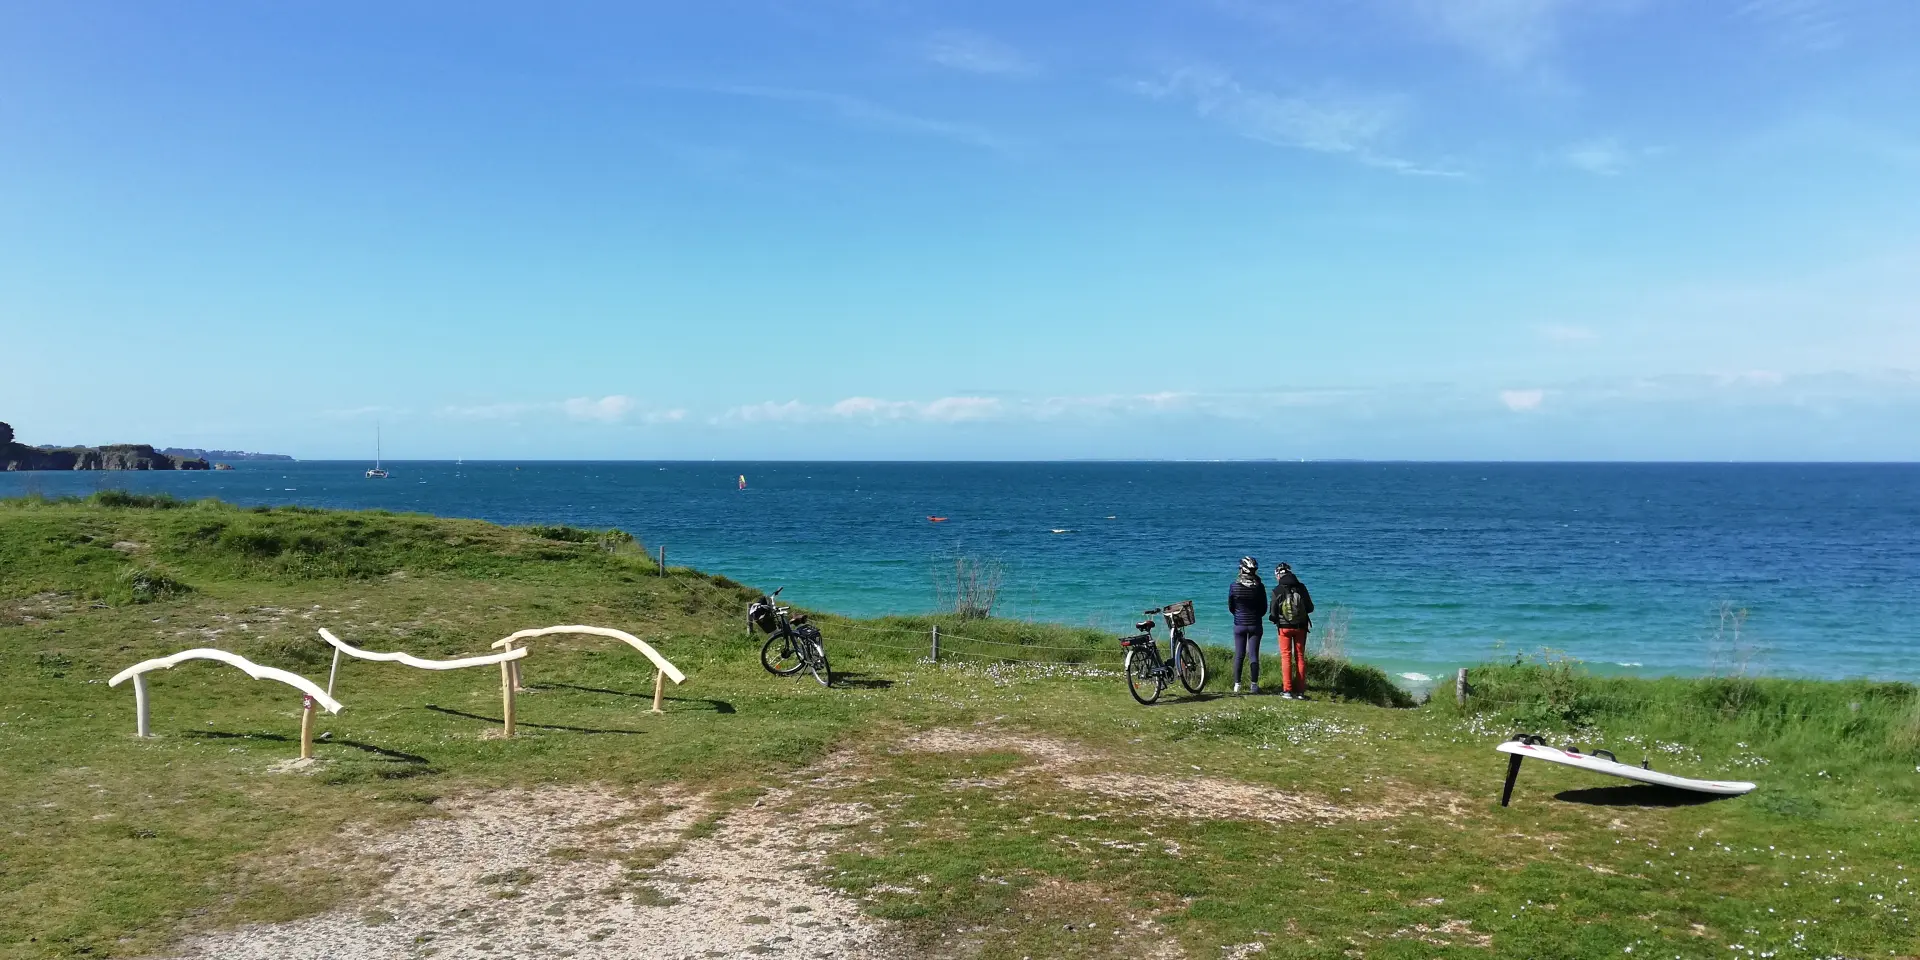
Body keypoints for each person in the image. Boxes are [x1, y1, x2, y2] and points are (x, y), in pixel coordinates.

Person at [1268, 562, 1315, 700]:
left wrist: (1276, 619)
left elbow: (1273, 613)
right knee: (1300, 657)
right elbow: (1310, 608)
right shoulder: (1301, 588)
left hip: (1284, 628)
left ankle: (1287, 690)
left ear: (1278, 575)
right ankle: (1300, 692)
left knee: (1286, 657)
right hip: (1301, 627)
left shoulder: (1277, 590)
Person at [1226, 557, 1266, 694]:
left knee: (1239, 655)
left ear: (1242, 570)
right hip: (1255, 624)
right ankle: (1254, 685)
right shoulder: (1259, 587)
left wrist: (1238, 615)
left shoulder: (1234, 586)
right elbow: (1264, 608)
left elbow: (1231, 606)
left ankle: (1237, 685)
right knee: (1254, 655)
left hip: (1239, 624)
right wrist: (1256, 616)